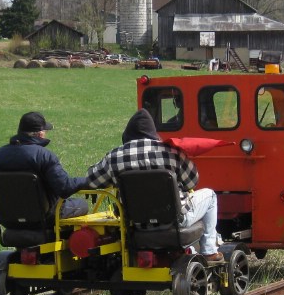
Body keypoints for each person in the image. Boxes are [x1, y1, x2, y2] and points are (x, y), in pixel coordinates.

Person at [85, 109, 221, 261]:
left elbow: (91, 180)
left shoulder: (114, 157)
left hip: (136, 223)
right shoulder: (171, 152)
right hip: (175, 221)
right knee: (210, 195)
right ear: (153, 132)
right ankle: (209, 250)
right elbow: (192, 181)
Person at [0, 111, 88, 220]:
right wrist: (88, 180)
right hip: (44, 218)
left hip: (9, 219)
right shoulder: (44, 156)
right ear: (40, 134)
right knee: (82, 204)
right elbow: (65, 188)